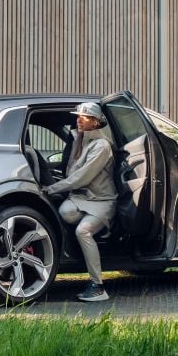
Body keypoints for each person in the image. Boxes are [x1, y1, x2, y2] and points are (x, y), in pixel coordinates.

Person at [44, 101, 117, 302]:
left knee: (82, 231)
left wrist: (51, 189)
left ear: (95, 122)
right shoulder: (80, 139)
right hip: (80, 198)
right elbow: (70, 170)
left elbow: (82, 177)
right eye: (77, 116)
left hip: (102, 200)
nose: (78, 120)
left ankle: (98, 286)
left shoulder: (101, 146)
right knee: (65, 212)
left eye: (83, 117)